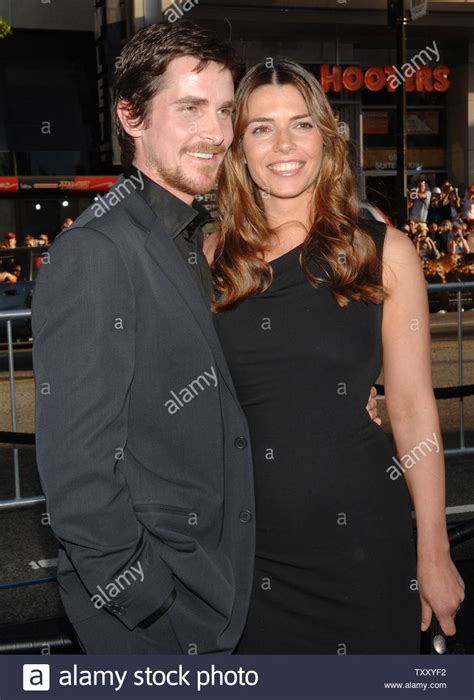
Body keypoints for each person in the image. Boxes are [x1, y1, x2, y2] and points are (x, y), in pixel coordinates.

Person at [31, 22, 380, 656]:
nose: (216, 133)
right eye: (189, 108)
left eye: (224, 111)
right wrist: (156, 604)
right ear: (131, 116)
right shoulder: (97, 251)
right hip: (162, 619)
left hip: (231, 589)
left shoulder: (201, 239)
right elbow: (78, 481)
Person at [205, 59, 464, 654]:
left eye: (301, 124)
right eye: (261, 128)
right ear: (239, 148)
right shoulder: (207, 257)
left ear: (326, 136)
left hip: (364, 544)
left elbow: (411, 405)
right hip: (245, 552)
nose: (284, 145)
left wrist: (433, 547)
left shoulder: (383, 252)